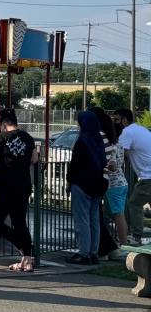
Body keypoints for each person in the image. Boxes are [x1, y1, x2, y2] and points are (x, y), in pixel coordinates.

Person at [0, 109, 38, 272]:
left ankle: (25, 248)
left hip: (6, 186)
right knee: (20, 222)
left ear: (3, 124)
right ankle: (27, 259)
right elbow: (34, 159)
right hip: (23, 185)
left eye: (0, 126)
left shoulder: (0, 138)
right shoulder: (28, 138)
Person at [64, 111, 108, 265]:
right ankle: (93, 252)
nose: (78, 125)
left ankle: (83, 253)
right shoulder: (99, 140)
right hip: (98, 183)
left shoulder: (82, 141)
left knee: (82, 219)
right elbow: (104, 161)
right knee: (94, 219)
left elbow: (74, 165)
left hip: (82, 184)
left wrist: (69, 181)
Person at [113, 108, 151, 247]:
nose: (114, 123)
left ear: (124, 120)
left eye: (116, 120)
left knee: (134, 203)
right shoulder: (140, 129)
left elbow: (119, 154)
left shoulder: (127, 133)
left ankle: (136, 237)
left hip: (148, 176)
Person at [90, 107, 121, 260]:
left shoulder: (96, 137)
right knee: (97, 215)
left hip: (94, 179)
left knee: (93, 217)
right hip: (104, 179)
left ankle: (101, 249)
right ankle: (108, 247)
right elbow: (113, 164)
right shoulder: (109, 137)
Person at [107, 121, 130, 254]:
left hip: (113, 184)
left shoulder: (111, 147)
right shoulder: (120, 146)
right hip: (122, 181)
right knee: (120, 214)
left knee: (119, 216)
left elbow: (113, 166)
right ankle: (123, 242)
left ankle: (123, 245)